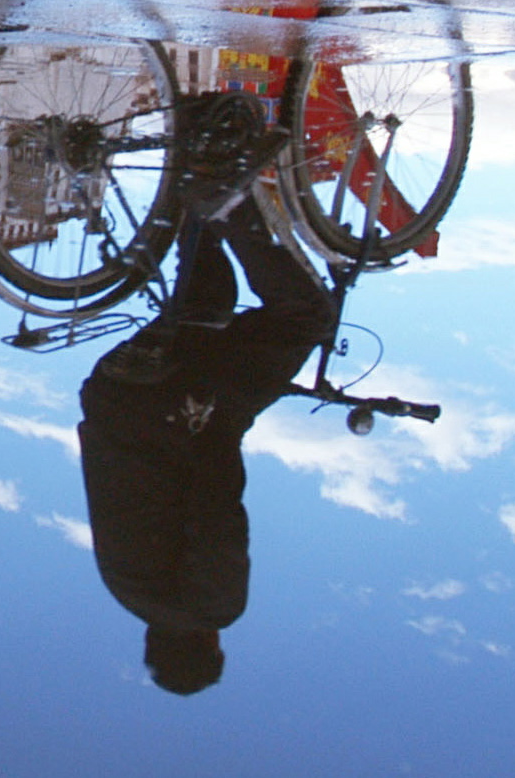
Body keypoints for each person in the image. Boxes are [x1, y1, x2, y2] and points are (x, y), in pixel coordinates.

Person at [77, 96, 335, 696]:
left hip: (176, 419)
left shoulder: (209, 609)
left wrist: (231, 418)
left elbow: (218, 511)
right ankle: (195, 164)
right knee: (203, 309)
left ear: (210, 648)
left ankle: (229, 201)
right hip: (113, 395)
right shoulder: (125, 591)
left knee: (306, 318)